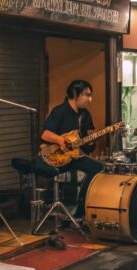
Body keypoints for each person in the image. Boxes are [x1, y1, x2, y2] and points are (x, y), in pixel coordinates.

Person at [40, 80, 104, 220]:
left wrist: (91, 142)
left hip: (75, 156)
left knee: (99, 168)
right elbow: (45, 134)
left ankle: (80, 210)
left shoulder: (84, 114)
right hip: (58, 157)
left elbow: (87, 143)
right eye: (87, 95)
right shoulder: (60, 111)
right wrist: (60, 140)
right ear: (75, 94)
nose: (90, 99)